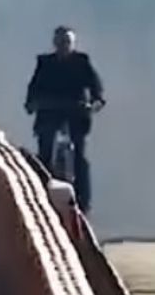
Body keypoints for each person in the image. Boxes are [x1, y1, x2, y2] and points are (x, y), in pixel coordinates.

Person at [25, 26, 105, 210]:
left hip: (75, 112)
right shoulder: (45, 63)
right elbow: (34, 88)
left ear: (73, 44)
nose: (64, 46)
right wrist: (31, 103)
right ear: (55, 44)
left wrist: (95, 102)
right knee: (44, 152)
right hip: (50, 111)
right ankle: (42, 193)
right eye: (60, 42)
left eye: (67, 42)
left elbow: (96, 87)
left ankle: (84, 201)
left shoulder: (82, 62)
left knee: (79, 155)